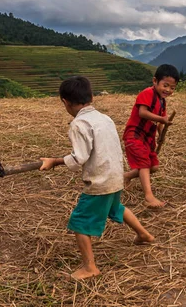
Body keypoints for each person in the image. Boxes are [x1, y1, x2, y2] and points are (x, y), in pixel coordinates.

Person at [40, 76, 154, 280]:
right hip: (115, 176)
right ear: (91, 96)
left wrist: (54, 161)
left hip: (99, 182)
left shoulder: (78, 124)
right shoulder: (105, 118)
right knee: (116, 208)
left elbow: (79, 158)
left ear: (65, 102)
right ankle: (144, 234)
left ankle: (90, 267)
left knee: (79, 222)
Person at [123, 64, 180, 208]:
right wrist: (161, 120)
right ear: (155, 81)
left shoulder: (162, 102)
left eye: (172, 88)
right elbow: (143, 112)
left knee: (153, 167)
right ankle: (148, 196)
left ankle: (126, 177)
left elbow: (162, 121)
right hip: (134, 135)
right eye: (165, 85)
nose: (168, 90)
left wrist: (161, 134)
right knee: (143, 164)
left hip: (147, 138)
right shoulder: (147, 93)